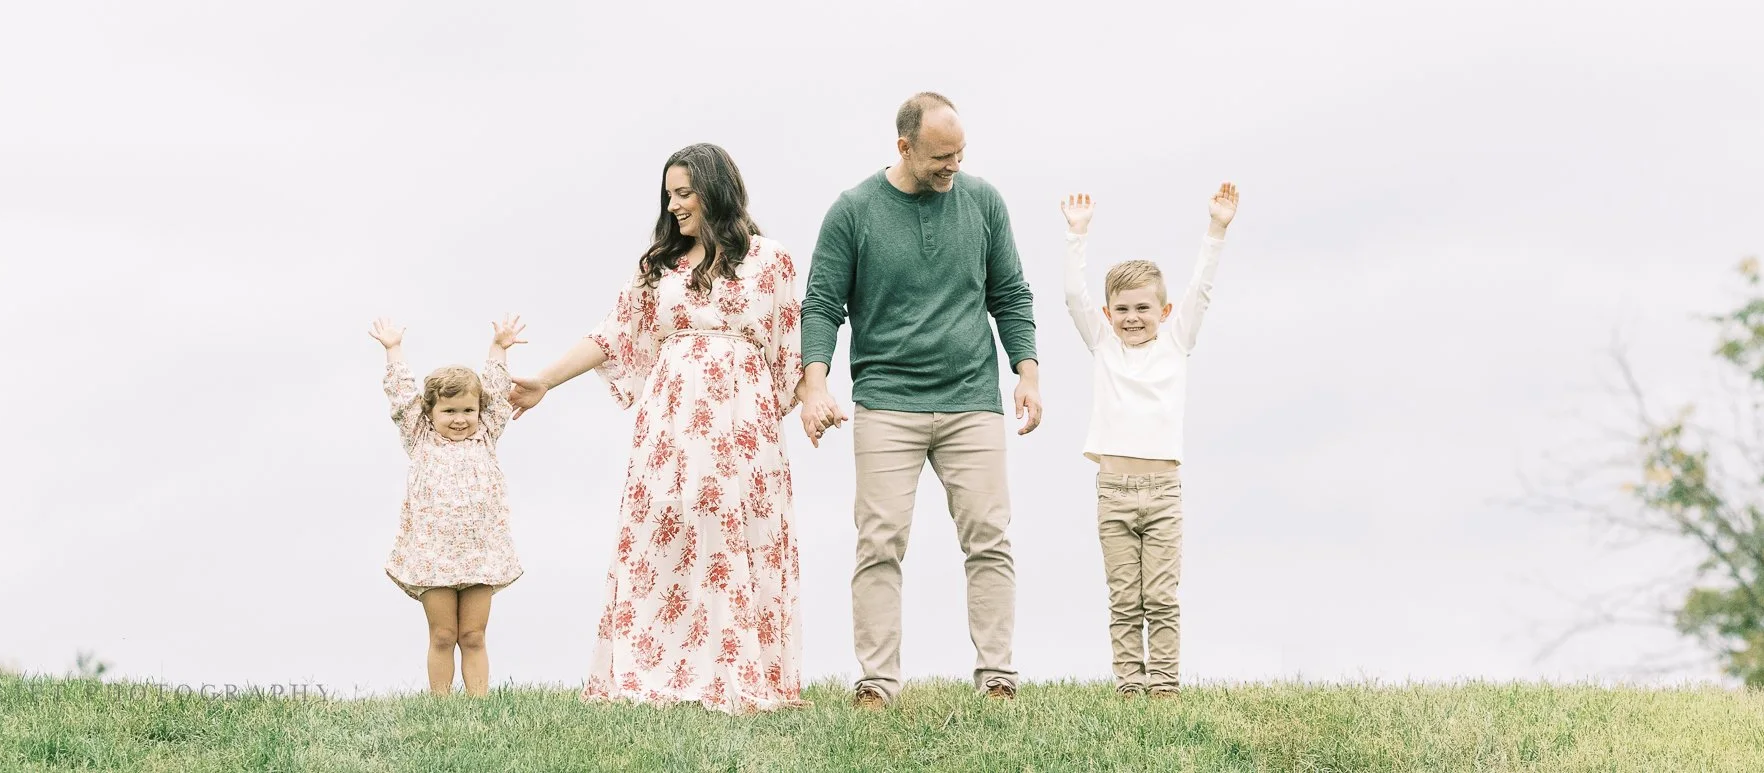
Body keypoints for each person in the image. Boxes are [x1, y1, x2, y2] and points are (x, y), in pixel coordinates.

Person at [507, 143, 804, 713]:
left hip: (743, 422)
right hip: (670, 424)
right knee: (665, 533)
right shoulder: (659, 269)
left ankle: (738, 673)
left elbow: (789, 343)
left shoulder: (772, 260)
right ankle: (659, 669)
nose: (674, 207)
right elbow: (611, 334)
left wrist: (796, 402)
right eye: (669, 196)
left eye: (685, 193)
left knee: (733, 533)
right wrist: (545, 379)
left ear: (716, 191)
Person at [797, 91, 1040, 707]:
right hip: (887, 402)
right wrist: (816, 383)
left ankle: (998, 676)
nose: (952, 167)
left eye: (959, 154)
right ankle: (878, 682)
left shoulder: (983, 202)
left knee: (989, 536)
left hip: (971, 400)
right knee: (879, 543)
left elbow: (1010, 294)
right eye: (940, 157)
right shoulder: (853, 212)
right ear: (904, 147)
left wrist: (1027, 373)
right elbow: (822, 304)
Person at [1059, 181, 1240, 698]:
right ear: (1108, 314)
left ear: (1163, 312)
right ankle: (1130, 687)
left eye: (1143, 309)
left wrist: (1216, 229)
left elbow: (1202, 286)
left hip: (1163, 495)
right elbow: (1074, 295)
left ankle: (1163, 686)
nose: (1132, 319)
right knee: (1124, 598)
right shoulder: (1103, 345)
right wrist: (1078, 236)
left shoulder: (1176, 341)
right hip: (1113, 492)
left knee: (1160, 597)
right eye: (1123, 310)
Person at [370, 313, 527, 696]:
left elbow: (495, 390)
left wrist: (499, 348)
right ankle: (441, 706)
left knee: (473, 635)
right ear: (430, 413)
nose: (460, 420)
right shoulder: (421, 437)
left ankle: (480, 707)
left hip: (480, 553)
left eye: (467, 411)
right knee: (443, 634)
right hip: (433, 554)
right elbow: (401, 396)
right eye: (449, 411)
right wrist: (393, 349)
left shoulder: (485, 435)